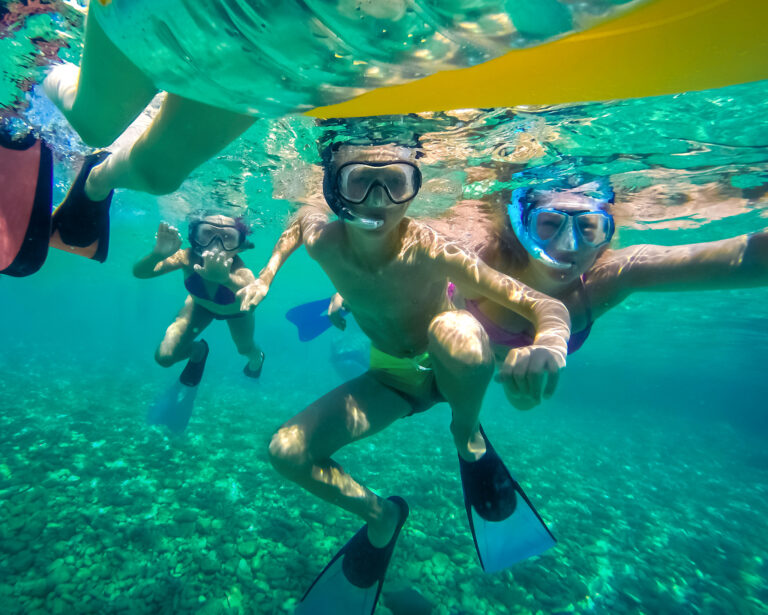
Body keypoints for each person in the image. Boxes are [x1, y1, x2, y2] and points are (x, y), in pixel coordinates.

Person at [237, 140, 571, 612]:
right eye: (360, 182)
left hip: (453, 367)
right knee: (286, 452)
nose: (377, 199)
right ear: (335, 190)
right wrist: (267, 274)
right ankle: (382, 516)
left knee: (456, 328)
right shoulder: (323, 240)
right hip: (394, 379)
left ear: (414, 190)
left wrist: (550, 344)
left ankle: (466, 431)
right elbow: (297, 225)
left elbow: (545, 305)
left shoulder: (435, 250)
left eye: (395, 182)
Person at [432, 172, 768, 410]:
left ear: (607, 235)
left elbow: (750, 257)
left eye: (588, 228)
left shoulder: (612, 274)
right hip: (444, 344)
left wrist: (523, 392)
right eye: (549, 224)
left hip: (508, 370)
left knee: (510, 385)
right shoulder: (478, 257)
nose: (568, 247)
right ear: (520, 226)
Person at [134, 215, 266, 431]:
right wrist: (157, 254)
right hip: (199, 306)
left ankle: (258, 359)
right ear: (194, 237)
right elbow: (141, 273)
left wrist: (224, 279)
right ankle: (198, 351)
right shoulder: (186, 257)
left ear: (240, 247)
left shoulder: (241, 271)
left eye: (227, 238)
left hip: (237, 313)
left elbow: (252, 297)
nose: (216, 245)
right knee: (164, 357)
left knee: (245, 348)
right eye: (207, 234)